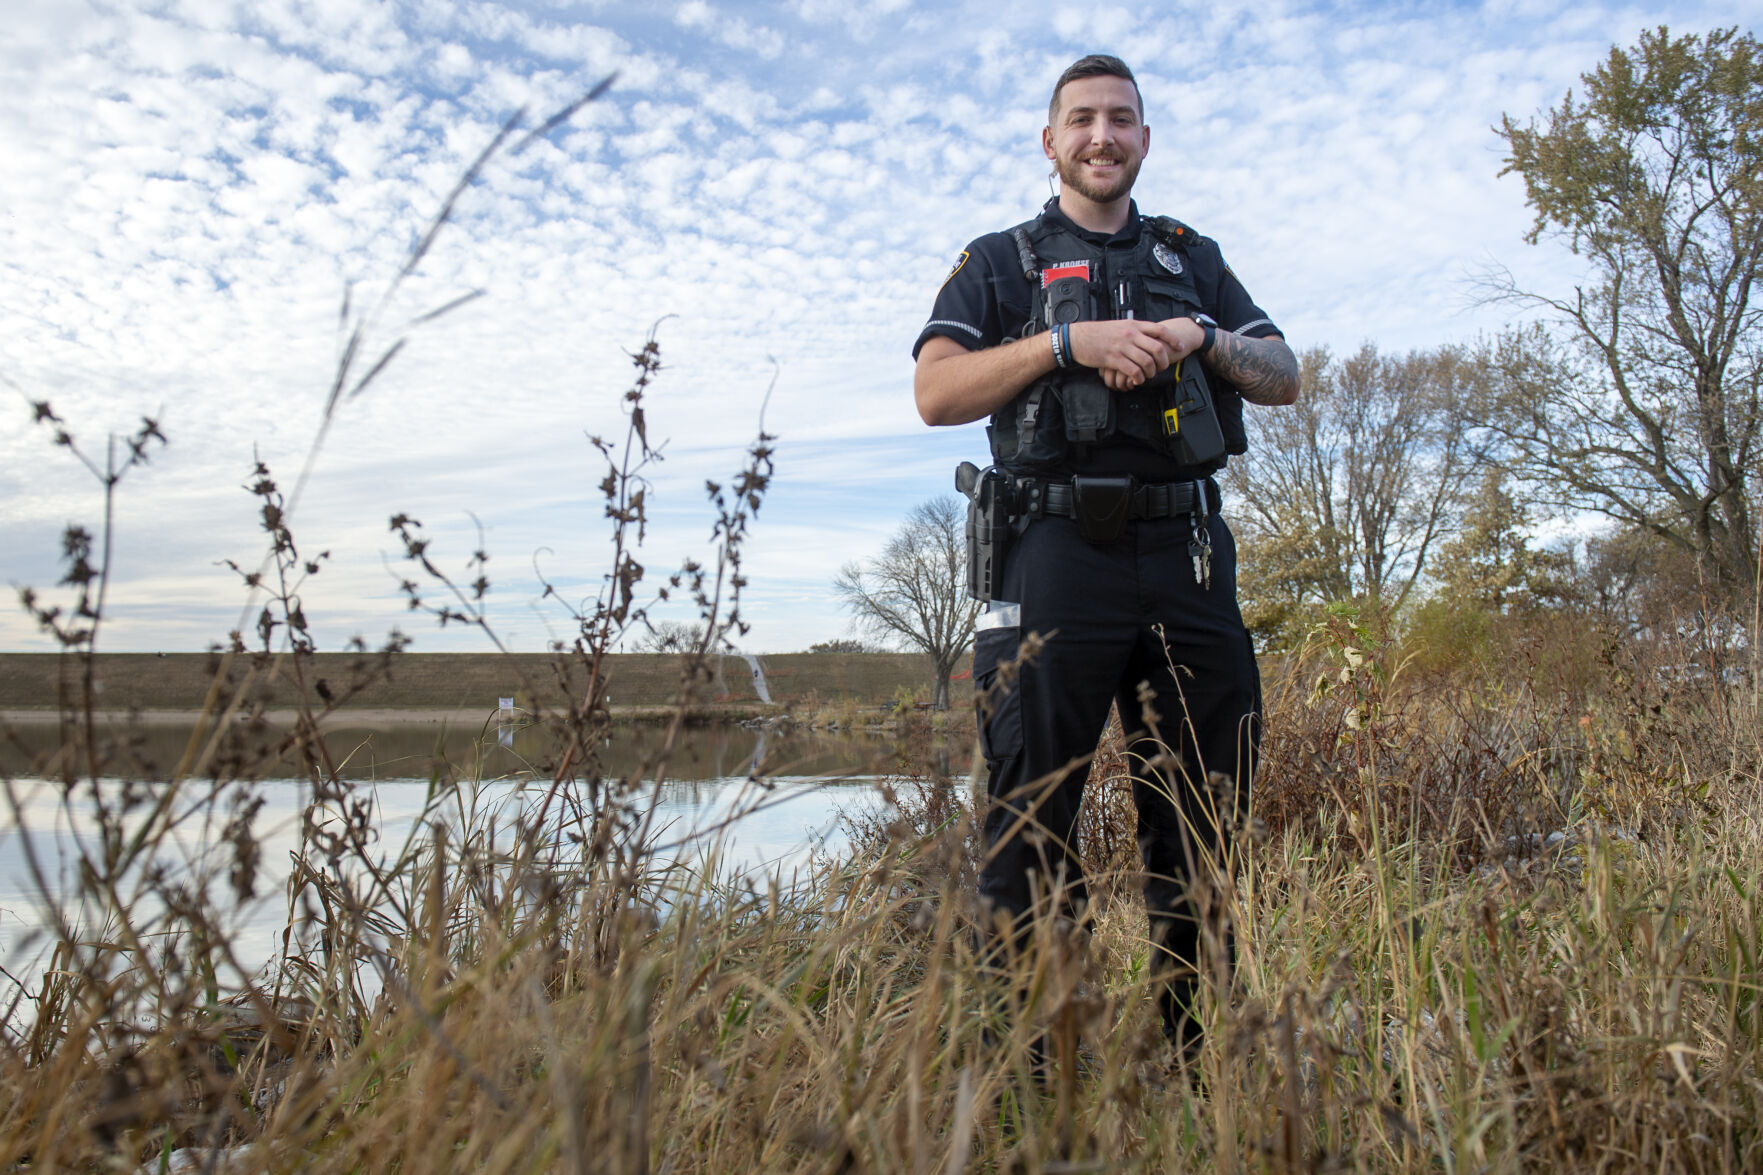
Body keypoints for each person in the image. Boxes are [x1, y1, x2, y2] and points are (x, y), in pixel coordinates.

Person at [911, 54, 1299, 1060]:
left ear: (1143, 138)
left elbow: (1281, 372)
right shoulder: (999, 260)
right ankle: (1033, 1079)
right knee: (1026, 827)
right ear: (1050, 142)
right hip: (1048, 556)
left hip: (1186, 557)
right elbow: (936, 392)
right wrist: (1064, 346)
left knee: (1202, 820)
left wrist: (1198, 334)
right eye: (1081, 119)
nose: (1101, 136)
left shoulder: (1190, 257)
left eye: (1120, 119)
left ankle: (1193, 1063)